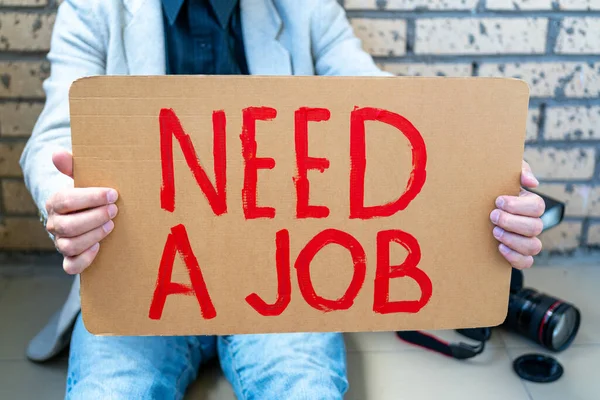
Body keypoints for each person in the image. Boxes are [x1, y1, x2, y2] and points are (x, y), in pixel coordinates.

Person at [19, 0, 546, 398]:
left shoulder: (307, 6)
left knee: (305, 388)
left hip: (282, 278)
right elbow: (53, 137)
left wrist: (478, 178)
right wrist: (64, 201)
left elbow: (385, 105)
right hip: (142, 276)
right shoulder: (95, 6)